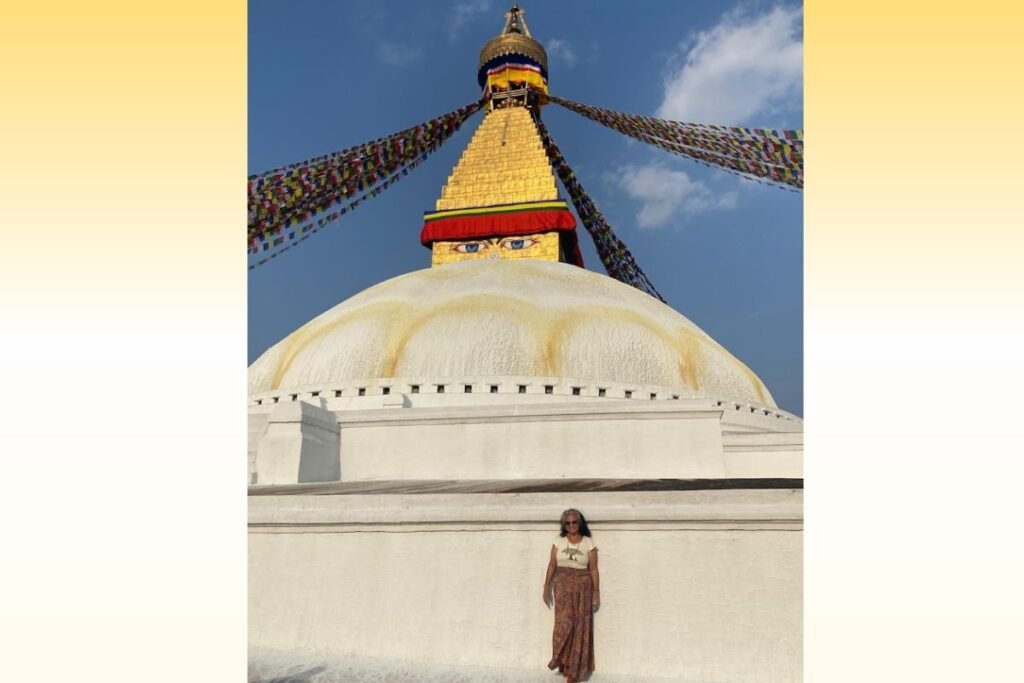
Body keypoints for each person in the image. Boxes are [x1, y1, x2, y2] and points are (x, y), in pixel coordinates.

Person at [543, 508, 599, 683]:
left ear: (580, 523)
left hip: (583, 586)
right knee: (563, 625)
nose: (571, 525)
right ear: (564, 525)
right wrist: (546, 586)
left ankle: (573, 670)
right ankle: (562, 660)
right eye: (567, 523)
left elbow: (593, 569)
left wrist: (596, 591)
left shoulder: (588, 542)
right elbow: (552, 564)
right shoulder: (558, 541)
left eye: (574, 522)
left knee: (579, 626)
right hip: (562, 586)